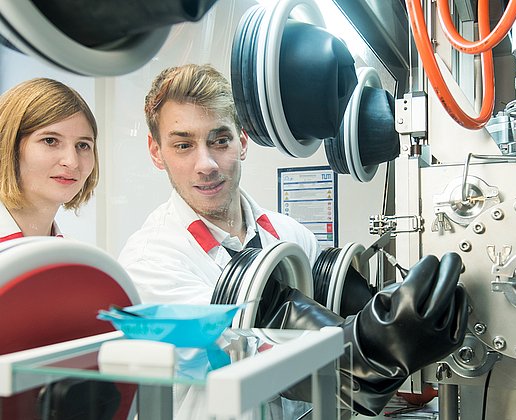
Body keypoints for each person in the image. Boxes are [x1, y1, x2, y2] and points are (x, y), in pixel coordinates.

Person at [118, 64, 468, 418]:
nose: (205, 164)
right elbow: (257, 347)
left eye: (219, 140)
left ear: (242, 142)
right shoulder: (152, 262)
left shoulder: (289, 233)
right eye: (183, 145)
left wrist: (408, 325)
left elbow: (343, 314)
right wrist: (374, 347)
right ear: (155, 151)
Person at [0, 78, 98, 243]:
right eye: (50, 141)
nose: (72, 161)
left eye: (82, 145)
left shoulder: (76, 257)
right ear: (8, 145)